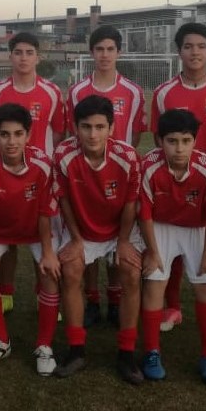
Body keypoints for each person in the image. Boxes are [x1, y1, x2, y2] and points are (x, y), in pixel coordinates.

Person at [151, 22, 206, 332]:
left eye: (201, 46)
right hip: (176, 184)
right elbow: (158, 138)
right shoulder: (163, 94)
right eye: (188, 46)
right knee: (173, 243)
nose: (195, 52)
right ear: (179, 51)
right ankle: (172, 308)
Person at [53, 95, 145, 384]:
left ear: (111, 128)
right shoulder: (63, 154)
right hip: (82, 230)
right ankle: (76, 348)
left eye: (99, 127)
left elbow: (131, 203)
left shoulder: (128, 156)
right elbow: (64, 199)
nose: (93, 134)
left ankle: (127, 353)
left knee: (131, 272)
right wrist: (76, 239)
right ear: (75, 127)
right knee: (70, 271)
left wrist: (123, 241)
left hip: (121, 229)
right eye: (85, 127)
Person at [0, 103, 61, 372]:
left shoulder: (43, 164)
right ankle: (1, 340)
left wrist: (47, 252)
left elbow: (45, 210)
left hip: (35, 229)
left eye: (18, 134)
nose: (12, 141)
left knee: (50, 272)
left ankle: (44, 344)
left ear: (28, 135)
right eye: (5, 134)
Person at [66, 25, 146, 328]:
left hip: (117, 175)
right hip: (85, 175)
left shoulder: (134, 92)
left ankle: (114, 300)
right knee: (87, 242)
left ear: (119, 53)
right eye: (99, 49)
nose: (104, 55)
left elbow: (136, 135)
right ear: (91, 53)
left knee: (117, 241)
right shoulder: (77, 92)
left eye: (110, 49)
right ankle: (92, 299)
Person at [138, 109, 206, 384]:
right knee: (154, 284)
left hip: (197, 229)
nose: (179, 148)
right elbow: (145, 215)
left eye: (186, 141)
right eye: (172, 141)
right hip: (160, 227)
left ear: (194, 141)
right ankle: (151, 352)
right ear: (159, 140)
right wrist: (152, 252)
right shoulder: (148, 167)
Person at [0, 32, 65, 314]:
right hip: (6, 175)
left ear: (38, 57)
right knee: (6, 237)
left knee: (42, 237)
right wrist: (9, 155)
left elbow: (58, 131)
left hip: (40, 178)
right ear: (10, 56)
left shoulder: (52, 93)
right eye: (18, 52)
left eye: (29, 52)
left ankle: (45, 294)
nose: (23, 58)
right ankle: (6, 293)